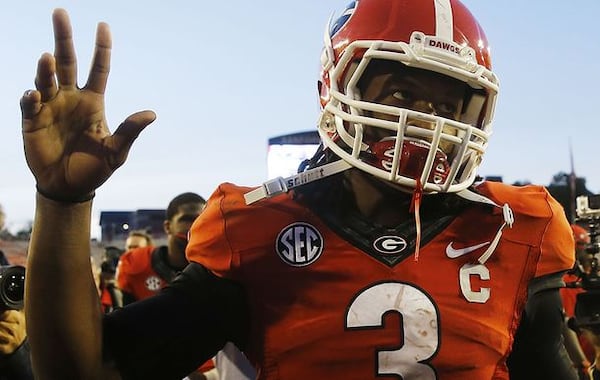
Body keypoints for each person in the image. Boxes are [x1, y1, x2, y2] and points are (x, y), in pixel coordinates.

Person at [21, 2, 579, 379]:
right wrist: (64, 203)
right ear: (337, 84)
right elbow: (86, 370)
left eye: (449, 103)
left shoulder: (509, 230)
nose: (427, 120)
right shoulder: (256, 229)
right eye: (403, 91)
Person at [115, 193, 217, 379]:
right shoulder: (136, 265)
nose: (195, 225)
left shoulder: (219, 268)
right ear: (168, 226)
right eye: (187, 219)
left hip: (208, 369)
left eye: (201, 219)